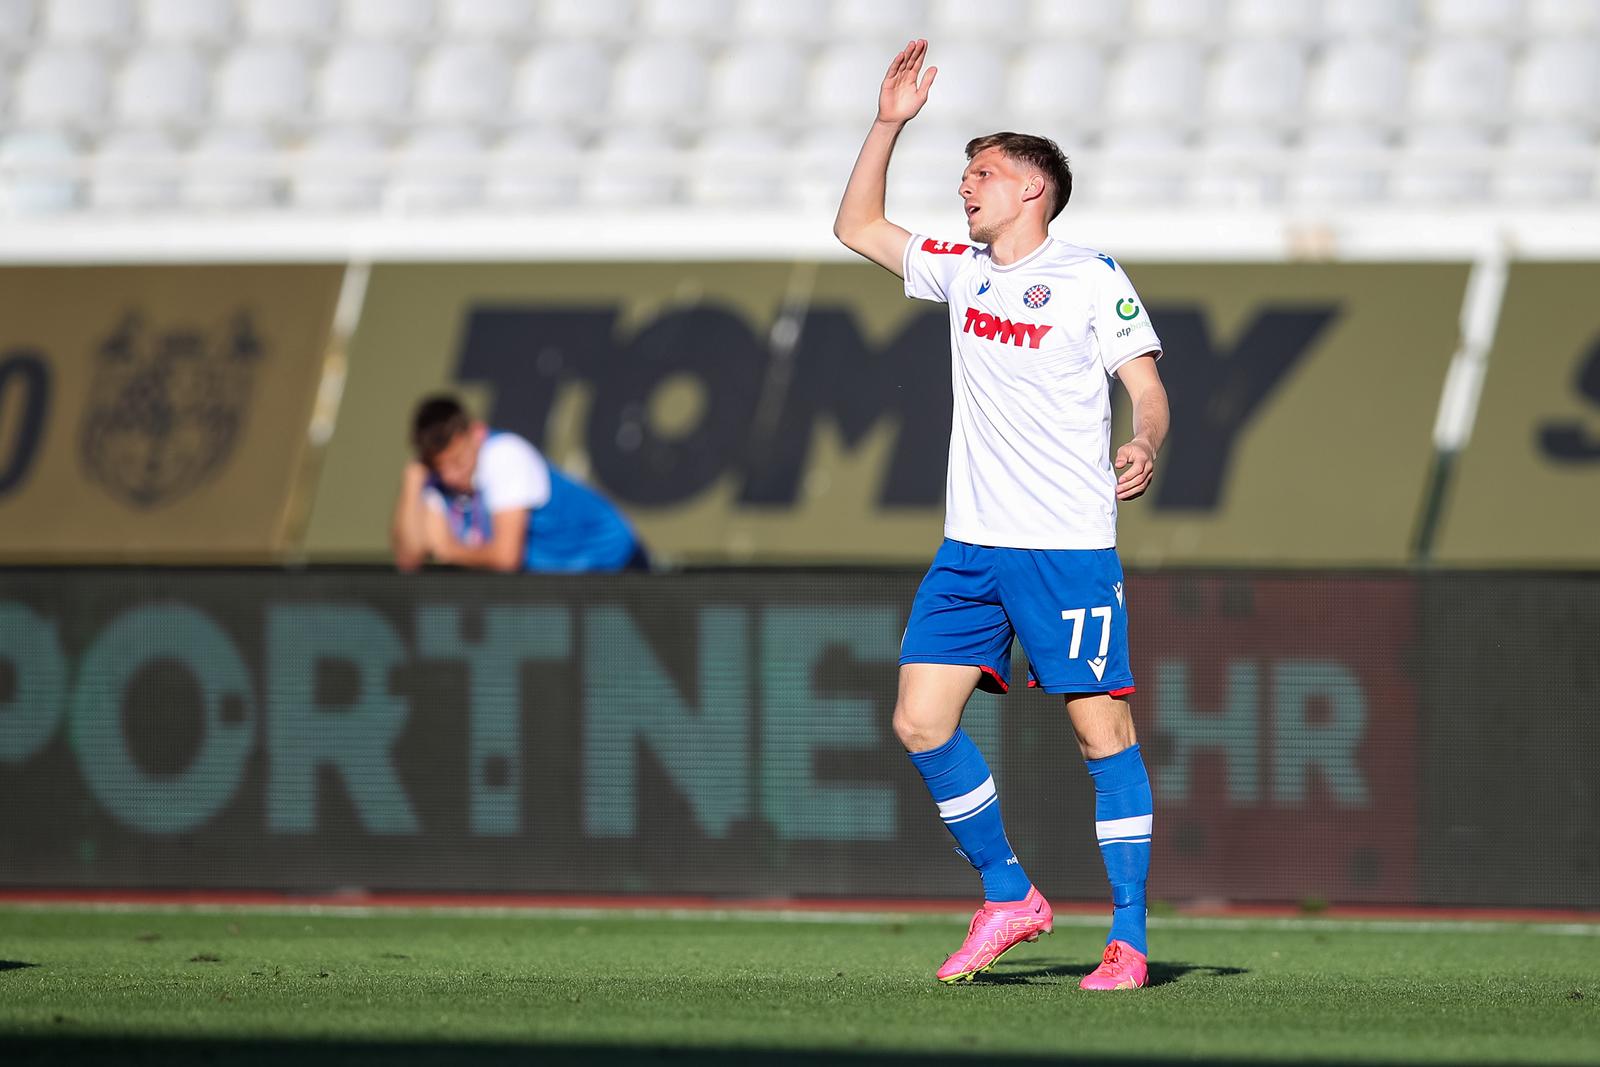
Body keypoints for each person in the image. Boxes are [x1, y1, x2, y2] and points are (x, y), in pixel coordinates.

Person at [833, 40, 1170, 991]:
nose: (964, 188)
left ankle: (1132, 939)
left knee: (1104, 736)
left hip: (1065, 549)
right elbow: (856, 223)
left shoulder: (1090, 274)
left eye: (981, 174)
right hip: (970, 547)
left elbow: (1145, 384)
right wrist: (890, 120)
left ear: (1034, 191)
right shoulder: (959, 266)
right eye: (964, 171)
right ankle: (1010, 893)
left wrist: (1144, 439)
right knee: (917, 720)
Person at [390, 394, 648, 574]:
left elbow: (506, 558)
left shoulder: (504, 455)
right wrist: (413, 484)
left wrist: (451, 551)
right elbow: (409, 560)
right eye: (440, 467)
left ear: (476, 433)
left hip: (614, 565)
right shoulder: (438, 481)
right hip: (564, 584)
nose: (450, 477)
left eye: (457, 462)